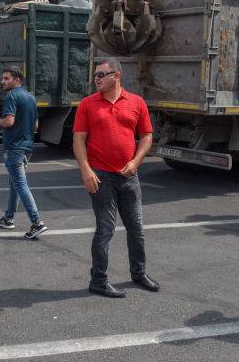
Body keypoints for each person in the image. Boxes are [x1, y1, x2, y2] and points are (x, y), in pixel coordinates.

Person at [73, 57, 159, 298]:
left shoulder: (136, 102)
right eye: (95, 75)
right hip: (101, 177)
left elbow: (146, 136)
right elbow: (79, 139)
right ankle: (98, 280)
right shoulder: (88, 104)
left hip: (129, 176)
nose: (96, 79)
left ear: (117, 75)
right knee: (105, 230)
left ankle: (139, 274)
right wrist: (85, 169)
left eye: (101, 74)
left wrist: (136, 161)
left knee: (137, 229)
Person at [0, 68, 47, 239]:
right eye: (2, 78)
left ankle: (37, 222)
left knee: (20, 184)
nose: (2, 81)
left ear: (17, 80)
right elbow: (36, 125)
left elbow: (8, 121)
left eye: (6, 78)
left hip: (14, 147)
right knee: (15, 184)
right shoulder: (30, 97)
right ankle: (8, 218)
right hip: (27, 147)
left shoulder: (12, 96)